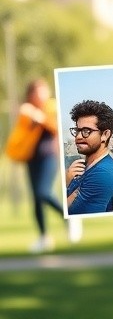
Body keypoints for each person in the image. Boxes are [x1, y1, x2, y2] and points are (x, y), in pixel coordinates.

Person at [15, 79, 69, 251]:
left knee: (43, 192)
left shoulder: (51, 108)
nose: (41, 95)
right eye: (37, 92)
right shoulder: (27, 110)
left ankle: (69, 217)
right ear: (31, 95)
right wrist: (28, 115)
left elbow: (56, 127)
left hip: (49, 156)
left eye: (43, 91)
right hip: (32, 158)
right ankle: (44, 237)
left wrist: (39, 118)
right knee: (36, 199)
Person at [65, 100, 113, 215]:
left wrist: (65, 184)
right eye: (77, 130)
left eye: (86, 131)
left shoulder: (102, 175)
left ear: (105, 135)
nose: (78, 137)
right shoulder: (84, 167)